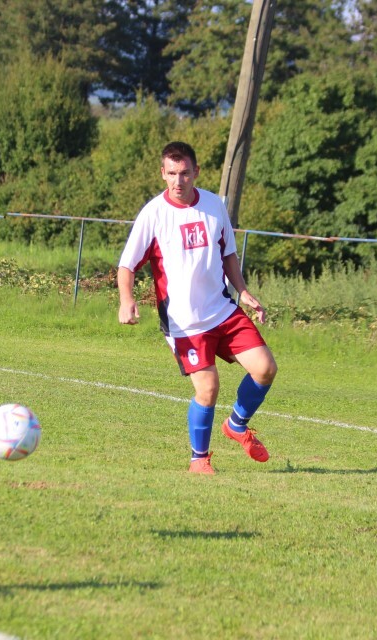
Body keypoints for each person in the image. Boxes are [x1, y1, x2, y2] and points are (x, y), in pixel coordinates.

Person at [117, 141, 278, 474]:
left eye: (185, 173)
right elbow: (126, 266)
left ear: (196, 172)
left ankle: (236, 425)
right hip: (184, 323)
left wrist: (243, 290)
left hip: (221, 309)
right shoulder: (153, 214)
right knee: (208, 388)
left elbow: (228, 253)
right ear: (162, 173)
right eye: (172, 173)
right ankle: (199, 459)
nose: (179, 181)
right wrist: (126, 300)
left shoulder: (214, 206)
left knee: (264, 368)